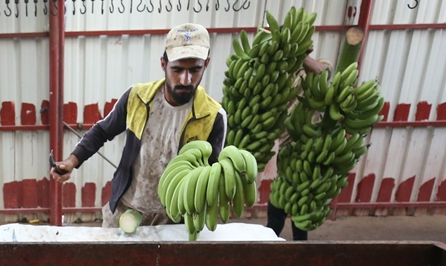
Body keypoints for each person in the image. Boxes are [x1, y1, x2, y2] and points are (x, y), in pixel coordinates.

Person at [50, 23, 226, 227]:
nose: (185, 80)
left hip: (174, 218)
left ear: (206, 64)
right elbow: (102, 131)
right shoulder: (138, 97)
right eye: (177, 69)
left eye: (195, 70)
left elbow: (210, 175)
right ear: (163, 64)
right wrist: (72, 161)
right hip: (126, 207)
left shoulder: (213, 116)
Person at [266, 53, 332, 241]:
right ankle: (270, 237)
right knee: (281, 192)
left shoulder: (321, 64)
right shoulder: (282, 75)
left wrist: (301, 55)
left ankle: (300, 243)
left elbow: (323, 72)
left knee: (303, 195)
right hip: (286, 145)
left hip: (310, 145)